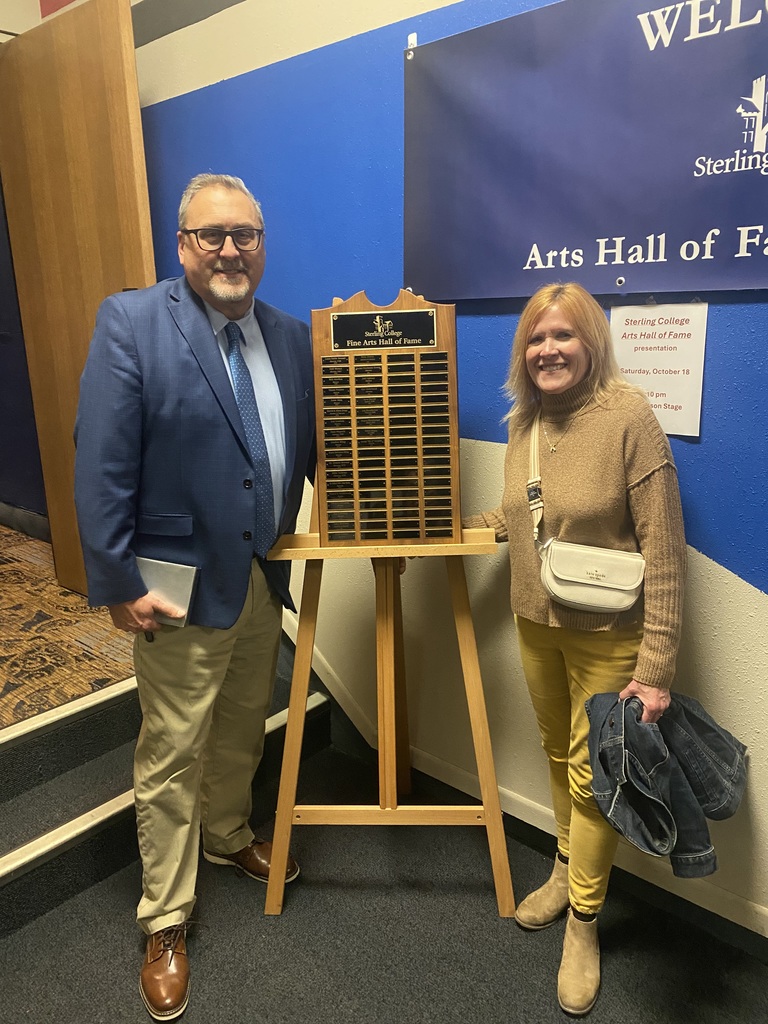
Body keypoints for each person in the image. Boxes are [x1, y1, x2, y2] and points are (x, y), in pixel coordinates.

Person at [74, 173, 315, 1021]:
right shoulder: (133, 321)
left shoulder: (289, 335)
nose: (228, 250)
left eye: (244, 234)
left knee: (247, 716)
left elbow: (309, 444)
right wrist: (114, 578)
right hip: (174, 582)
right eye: (211, 235)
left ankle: (228, 836)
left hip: (261, 571)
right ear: (182, 245)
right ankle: (165, 917)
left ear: (261, 243)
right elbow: (101, 456)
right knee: (172, 747)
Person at [465, 282, 686, 1015]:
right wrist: (473, 527)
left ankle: (584, 924)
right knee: (559, 754)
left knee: (597, 779)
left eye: (562, 336)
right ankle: (564, 870)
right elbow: (530, 511)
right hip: (534, 621)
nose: (547, 350)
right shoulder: (524, 421)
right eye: (534, 339)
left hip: (610, 636)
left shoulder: (629, 418)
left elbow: (663, 548)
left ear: (590, 341)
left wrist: (655, 668)